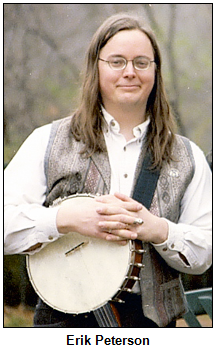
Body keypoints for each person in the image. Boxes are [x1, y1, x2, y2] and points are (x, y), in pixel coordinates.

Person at [4, 13, 212, 328]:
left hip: (151, 328)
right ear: (96, 67)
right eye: (117, 61)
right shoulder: (46, 141)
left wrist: (158, 230)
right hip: (61, 325)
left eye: (141, 62)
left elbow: (205, 251)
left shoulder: (188, 156)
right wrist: (65, 220)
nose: (130, 72)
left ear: (155, 71)